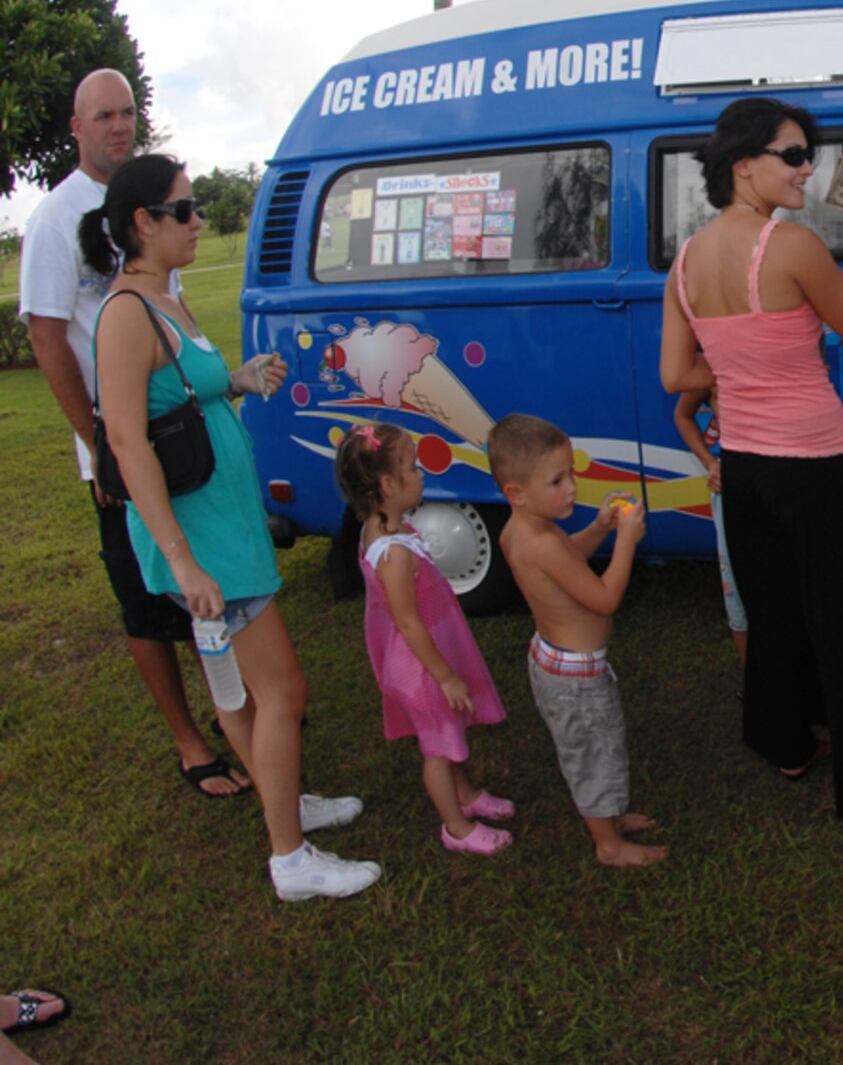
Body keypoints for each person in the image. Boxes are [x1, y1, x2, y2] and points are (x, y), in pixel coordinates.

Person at [84, 155, 380, 901]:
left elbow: (182, 391)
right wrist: (183, 563)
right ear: (142, 223)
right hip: (204, 542)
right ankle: (291, 858)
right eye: (183, 210)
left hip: (223, 528)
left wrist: (241, 379)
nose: (199, 220)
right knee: (284, 689)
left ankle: (286, 800)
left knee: (242, 690)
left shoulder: (164, 298)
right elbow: (125, 440)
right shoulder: (126, 314)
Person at [660, 98, 843, 826]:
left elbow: (675, 375)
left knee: (774, 616)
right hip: (814, 462)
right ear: (741, 164)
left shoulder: (684, 260)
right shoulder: (792, 244)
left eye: (808, 153)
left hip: (743, 466)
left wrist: (735, 369)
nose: (807, 167)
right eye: (792, 154)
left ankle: (789, 743)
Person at [17, 70, 249, 800]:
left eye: (128, 113)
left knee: (207, 577)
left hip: (181, 431)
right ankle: (190, 741)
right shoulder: (56, 219)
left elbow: (176, 311)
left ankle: (242, 714)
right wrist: (95, 437)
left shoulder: (156, 204)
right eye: (103, 116)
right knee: (146, 597)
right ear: (77, 129)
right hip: (120, 443)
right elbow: (47, 335)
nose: (119, 126)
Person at [490, 412, 662, 868]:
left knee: (599, 746)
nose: (571, 488)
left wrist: (602, 527)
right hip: (575, 678)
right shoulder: (541, 541)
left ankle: (610, 815)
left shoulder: (524, 530)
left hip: (555, 661)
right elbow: (604, 599)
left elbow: (570, 555)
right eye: (556, 481)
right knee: (592, 752)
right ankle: (609, 844)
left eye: (572, 474)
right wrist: (626, 541)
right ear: (516, 493)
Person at [335, 422, 512, 856]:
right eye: (414, 470)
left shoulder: (387, 528)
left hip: (427, 652)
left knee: (447, 735)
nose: (422, 476)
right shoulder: (393, 553)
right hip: (421, 665)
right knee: (438, 746)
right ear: (388, 484)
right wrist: (446, 676)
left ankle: (466, 794)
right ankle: (456, 827)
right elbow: (408, 622)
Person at [672, 386, 748, 666]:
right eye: (716, 396)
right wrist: (711, 463)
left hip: (784, 487)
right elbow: (682, 414)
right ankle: (753, 687)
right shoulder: (709, 365)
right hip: (735, 495)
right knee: (739, 591)